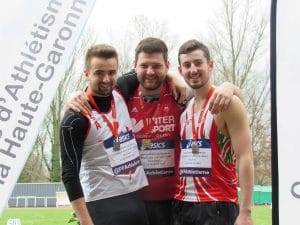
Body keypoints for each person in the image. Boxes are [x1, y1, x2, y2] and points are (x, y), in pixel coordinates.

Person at [66, 37, 243, 225]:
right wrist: (73, 97)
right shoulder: (122, 95)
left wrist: (230, 87)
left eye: (157, 66)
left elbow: (223, 97)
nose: (150, 72)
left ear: (167, 66)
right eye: (144, 66)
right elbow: (97, 90)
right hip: (136, 201)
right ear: (135, 66)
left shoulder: (182, 93)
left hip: (175, 199)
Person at [60, 44, 149, 225]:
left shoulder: (121, 89)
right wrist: (85, 221)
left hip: (136, 199)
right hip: (102, 205)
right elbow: (69, 175)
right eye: (99, 73)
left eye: (111, 72)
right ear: (86, 73)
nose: (106, 79)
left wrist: (175, 78)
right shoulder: (74, 119)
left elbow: (150, 68)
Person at [172, 39, 254, 225]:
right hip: (182, 203)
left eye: (198, 63)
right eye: (187, 65)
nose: (193, 69)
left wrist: (246, 212)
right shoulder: (186, 106)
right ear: (180, 70)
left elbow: (245, 156)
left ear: (210, 65)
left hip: (217, 204)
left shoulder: (227, 103)